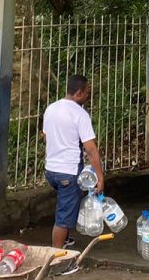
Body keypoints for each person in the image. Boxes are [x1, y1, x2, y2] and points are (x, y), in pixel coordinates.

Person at [42, 74, 104, 250]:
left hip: (51, 170)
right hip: (68, 172)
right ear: (78, 93)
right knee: (64, 216)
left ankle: (65, 240)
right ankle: (56, 257)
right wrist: (100, 176)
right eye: (87, 93)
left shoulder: (51, 109)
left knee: (67, 206)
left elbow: (45, 136)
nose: (88, 96)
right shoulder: (80, 114)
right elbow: (90, 149)